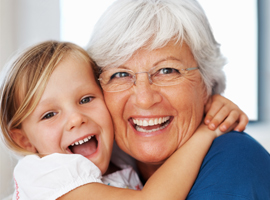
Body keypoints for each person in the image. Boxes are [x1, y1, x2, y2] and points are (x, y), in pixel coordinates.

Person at [85, 0, 270, 199]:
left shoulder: (234, 163)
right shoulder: (103, 167)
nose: (144, 99)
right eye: (120, 75)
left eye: (167, 71)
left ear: (206, 84)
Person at [0, 41, 246, 200]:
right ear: (23, 138)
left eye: (86, 99)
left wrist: (209, 106)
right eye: (49, 115)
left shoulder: (118, 155)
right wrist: (207, 130)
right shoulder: (47, 175)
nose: (76, 119)